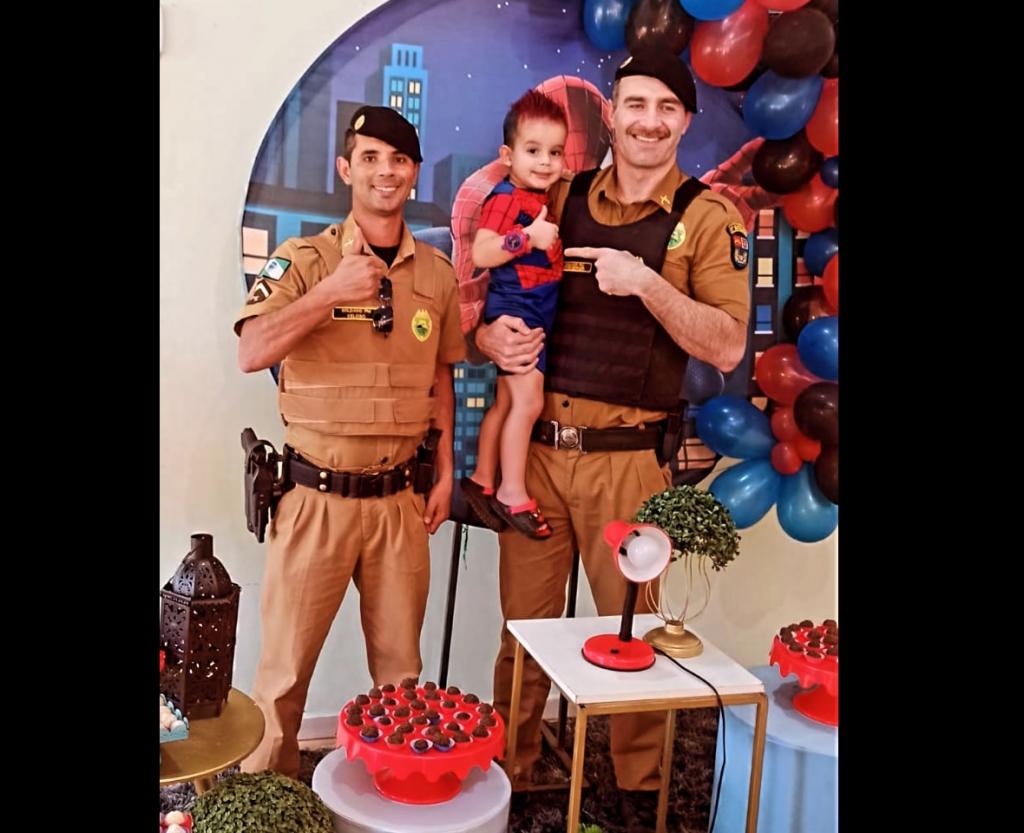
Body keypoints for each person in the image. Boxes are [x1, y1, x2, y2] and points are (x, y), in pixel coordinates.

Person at [468, 52, 751, 828]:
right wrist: (489, 336)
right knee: (523, 633)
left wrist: (647, 281)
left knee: (632, 635)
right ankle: (508, 772)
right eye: (635, 104)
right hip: (537, 454)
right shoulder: (557, 194)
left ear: (685, 121)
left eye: (666, 107)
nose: (648, 121)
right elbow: (491, 280)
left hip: (628, 465)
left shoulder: (708, 217)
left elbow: (728, 346)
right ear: (612, 114)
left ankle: (638, 791)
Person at [234, 105, 466, 778]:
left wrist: (447, 469)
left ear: (414, 173)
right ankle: (268, 805)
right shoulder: (303, 261)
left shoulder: (438, 274)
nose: (384, 172)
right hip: (316, 499)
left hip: (399, 503)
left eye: (398, 160)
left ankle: (392, 795)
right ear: (345, 169)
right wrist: (330, 293)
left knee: (402, 677)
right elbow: (252, 350)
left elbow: (442, 375)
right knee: (283, 679)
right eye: (369, 158)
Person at [460, 89, 568, 540]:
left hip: (533, 303)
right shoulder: (506, 198)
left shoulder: (535, 195)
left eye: (555, 152)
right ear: (508, 156)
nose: (545, 162)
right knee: (529, 403)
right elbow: (483, 252)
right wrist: (527, 238)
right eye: (533, 150)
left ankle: (482, 477)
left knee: (506, 402)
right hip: (520, 308)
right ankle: (512, 492)